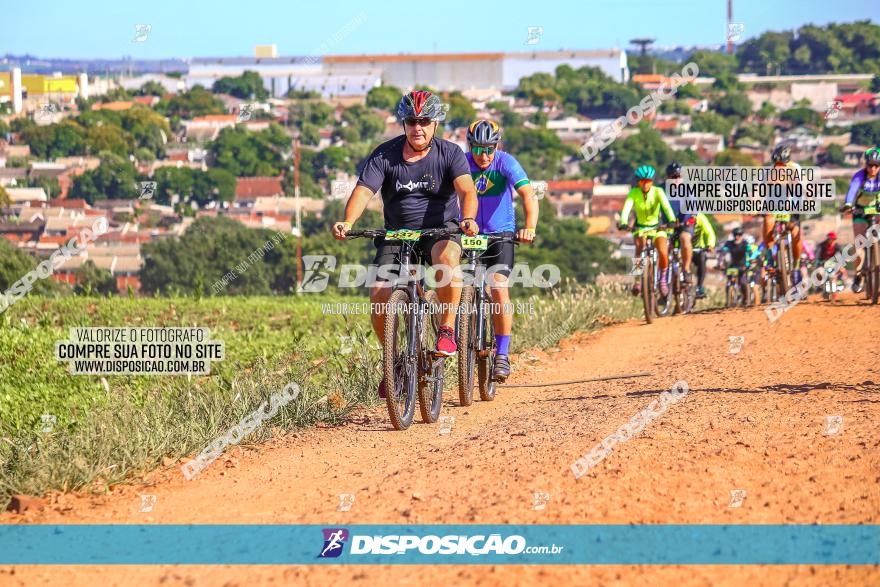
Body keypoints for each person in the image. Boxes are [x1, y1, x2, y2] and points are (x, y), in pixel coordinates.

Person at [332, 91, 479, 398]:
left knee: (446, 261)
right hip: (398, 234)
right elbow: (363, 192)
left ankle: (447, 330)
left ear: (435, 123)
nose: (418, 128)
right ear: (403, 123)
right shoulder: (385, 155)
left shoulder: (449, 153)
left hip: (441, 230)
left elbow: (466, 191)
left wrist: (467, 218)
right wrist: (348, 222)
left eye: (424, 121)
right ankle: (395, 361)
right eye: (412, 121)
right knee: (379, 294)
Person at [464, 119, 538, 380]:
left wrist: (529, 227)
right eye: (477, 149)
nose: (483, 156)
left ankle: (503, 354)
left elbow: (528, 195)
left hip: (500, 235)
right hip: (468, 234)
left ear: (497, 146)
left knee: (497, 288)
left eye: (489, 149)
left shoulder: (506, 162)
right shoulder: (462, 164)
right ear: (469, 146)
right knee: (455, 287)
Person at [619, 165, 676, 296]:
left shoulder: (658, 192)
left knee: (662, 251)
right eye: (642, 181)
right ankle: (638, 281)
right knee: (639, 248)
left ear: (652, 181)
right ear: (638, 182)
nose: (645, 184)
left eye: (648, 181)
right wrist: (623, 222)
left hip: (657, 227)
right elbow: (626, 208)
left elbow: (667, 208)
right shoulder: (634, 193)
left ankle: (662, 279)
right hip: (641, 227)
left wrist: (672, 220)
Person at [762, 142, 803, 282]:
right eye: (776, 164)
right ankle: (770, 260)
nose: (779, 167)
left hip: (791, 204)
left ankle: (796, 266)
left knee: (796, 233)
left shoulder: (795, 169)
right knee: (767, 225)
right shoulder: (768, 172)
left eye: (782, 164)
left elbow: (801, 189)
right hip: (773, 205)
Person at [841, 147, 880, 293]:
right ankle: (858, 274)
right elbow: (852, 191)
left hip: (876, 208)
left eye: (877, 165)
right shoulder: (859, 176)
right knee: (859, 245)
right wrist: (848, 205)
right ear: (866, 165)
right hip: (860, 210)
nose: (873, 169)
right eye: (870, 165)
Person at [664, 161, 693, 285]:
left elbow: (692, 207)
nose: (676, 180)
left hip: (683, 224)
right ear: (668, 178)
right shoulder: (661, 190)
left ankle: (686, 269)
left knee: (684, 238)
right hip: (664, 226)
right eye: (673, 177)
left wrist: (686, 221)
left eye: (678, 176)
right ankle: (656, 282)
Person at [692, 212, 716, 299]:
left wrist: (710, 244)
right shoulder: (680, 216)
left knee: (702, 259)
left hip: (697, 249)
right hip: (681, 248)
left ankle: (699, 287)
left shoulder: (700, 217)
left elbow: (709, 232)